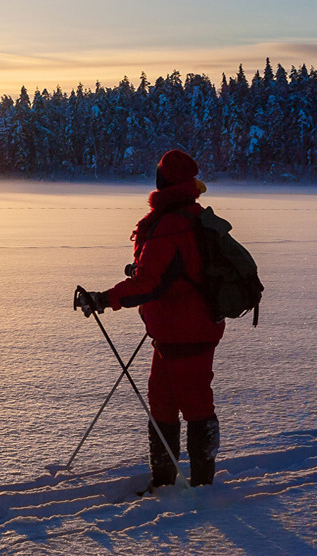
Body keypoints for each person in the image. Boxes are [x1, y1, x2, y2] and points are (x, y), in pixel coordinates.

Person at [77, 149, 224, 488]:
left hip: (188, 330)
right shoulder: (188, 215)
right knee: (163, 403)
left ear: (163, 180)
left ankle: (202, 485)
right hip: (175, 329)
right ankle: (164, 481)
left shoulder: (172, 224)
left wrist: (103, 299)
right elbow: (169, 270)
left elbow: (150, 283)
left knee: (195, 404)